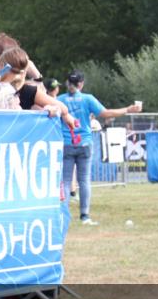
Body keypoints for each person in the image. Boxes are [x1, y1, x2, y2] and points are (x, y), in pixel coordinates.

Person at [58, 71, 142, 225]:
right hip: (85, 143)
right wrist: (127, 109)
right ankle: (85, 216)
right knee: (84, 181)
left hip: (66, 143)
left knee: (65, 180)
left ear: (68, 83)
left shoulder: (60, 100)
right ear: (81, 84)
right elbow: (106, 113)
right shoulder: (87, 99)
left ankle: (62, 217)